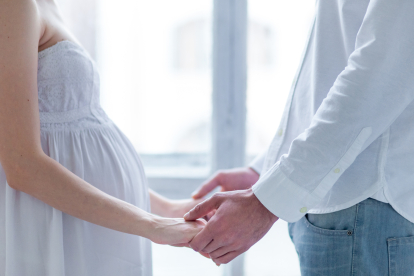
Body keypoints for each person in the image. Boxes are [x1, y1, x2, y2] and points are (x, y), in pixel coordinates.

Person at [186, 0, 414, 274]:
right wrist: (267, 170)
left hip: (364, 209)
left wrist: (266, 201)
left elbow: (380, 75)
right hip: (347, 208)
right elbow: (330, 69)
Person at [0, 0, 205, 275]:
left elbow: (70, 150)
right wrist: (151, 223)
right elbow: (21, 164)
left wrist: (165, 209)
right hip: (52, 227)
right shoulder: (13, 5)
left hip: (84, 225)